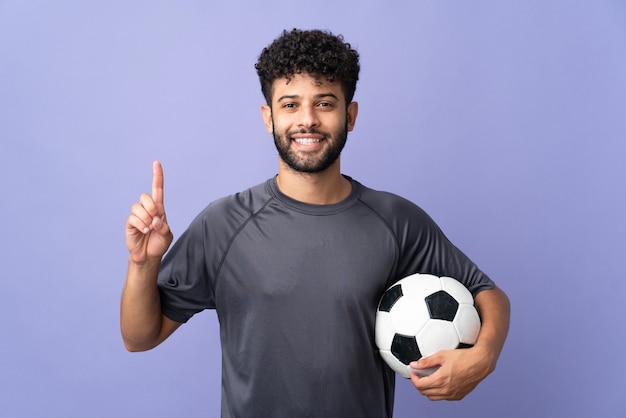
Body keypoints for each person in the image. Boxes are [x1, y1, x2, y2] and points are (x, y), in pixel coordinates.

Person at [121, 28, 510, 417]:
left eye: (324, 103)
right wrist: (143, 263)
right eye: (290, 105)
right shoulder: (223, 224)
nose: (307, 120)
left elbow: (487, 293)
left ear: (350, 115)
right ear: (268, 117)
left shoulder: (396, 221)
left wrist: (485, 354)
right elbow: (140, 337)